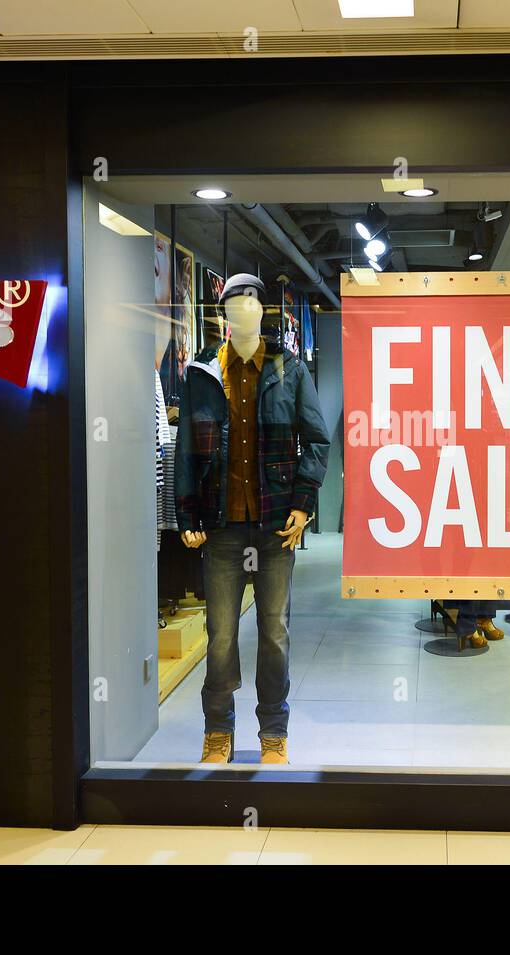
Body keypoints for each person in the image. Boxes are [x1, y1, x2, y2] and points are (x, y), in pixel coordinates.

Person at [176, 273, 330, 766]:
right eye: (234, 303)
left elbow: (317, 439)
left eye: (251, 302)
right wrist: (187, 513)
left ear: (262, 313)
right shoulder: (202, 372)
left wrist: (303, 503)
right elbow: (185, 450)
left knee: (274, 633)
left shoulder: (289, 369)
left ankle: (273, 734)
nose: (244, 309)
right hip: (222, 527)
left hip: (273, 526)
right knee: (220, 635)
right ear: (223, 316)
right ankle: (218, 731)